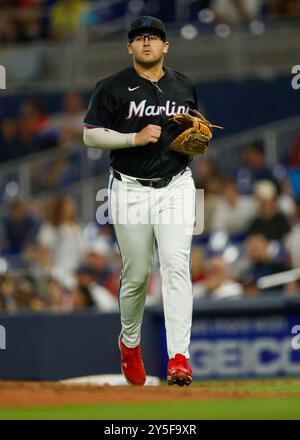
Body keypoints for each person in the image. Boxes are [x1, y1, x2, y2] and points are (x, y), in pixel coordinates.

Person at [83, 16, 198, 386]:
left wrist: (196, 135)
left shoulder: (183, 85)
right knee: (136, 275)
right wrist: (132, 139)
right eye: (139, 37)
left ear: (166, 46)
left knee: (176, 264)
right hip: (129, 187)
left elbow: (192, 129)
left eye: (153, 37)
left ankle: (179, 356)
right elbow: (90, 136)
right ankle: (129, 343)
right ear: (129, 47)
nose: (146, 42)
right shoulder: (112, 87)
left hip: (177, 184)